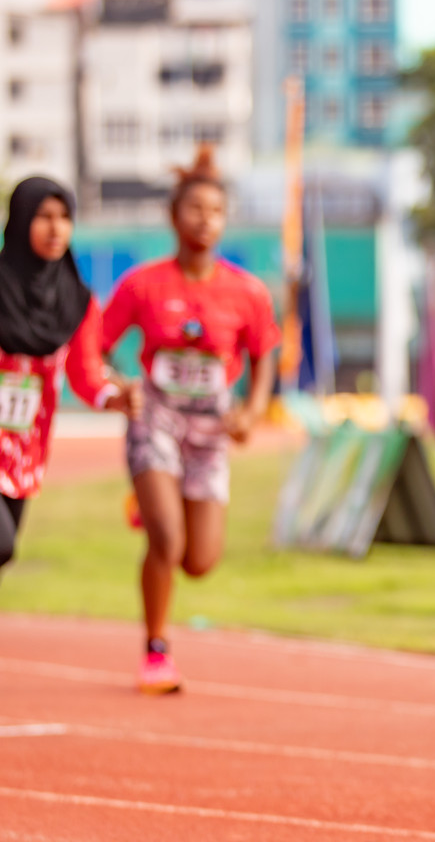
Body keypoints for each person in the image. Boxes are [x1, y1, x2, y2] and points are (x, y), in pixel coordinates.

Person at [101, 146, 279, 694]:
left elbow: (264, 357)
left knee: (200, 560)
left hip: (209, 430)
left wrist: (251, 410)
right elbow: (98, 345)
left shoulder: (248, 292)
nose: (205, 220)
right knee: (167, 542)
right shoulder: (142, 284)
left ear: (226, 220)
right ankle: (156, 652)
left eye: (216, 211)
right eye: (195, 209)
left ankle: (155, 507)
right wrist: (116, 385)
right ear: (174, 216)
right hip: (155, 417)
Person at [0, 178, 140, 575]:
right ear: (21, 219)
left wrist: (113, 398)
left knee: (4, 551)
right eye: (44, 216)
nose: (56, 228)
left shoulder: (77, 301)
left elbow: (86, 374)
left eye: (64, 217)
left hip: (22, 447)